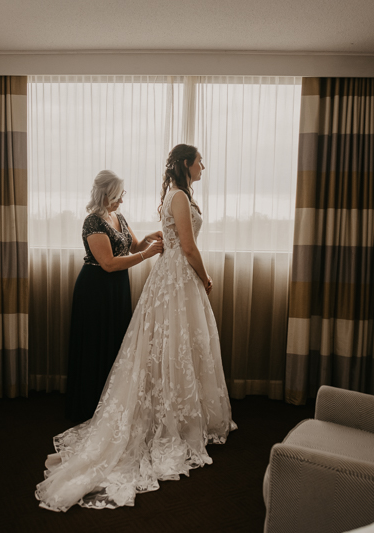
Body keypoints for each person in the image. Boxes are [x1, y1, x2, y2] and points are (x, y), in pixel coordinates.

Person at [36, 145, 236, 512]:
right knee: (160, 344)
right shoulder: (100, 220)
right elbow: (183, 248)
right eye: (200, 160)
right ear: (186, 165)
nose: (203, 165)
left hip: (157, 279)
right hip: (114, 285)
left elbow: (146, 241)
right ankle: (142, 411)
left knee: (173, 344)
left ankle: (181, 406)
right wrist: (203, 275)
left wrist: (153, 243)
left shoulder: (134, 212)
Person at [65, 170, 164, 422]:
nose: (121, 201)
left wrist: (148, 240)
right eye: (118, 196)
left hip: (117, 288)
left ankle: (112, 401)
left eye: (122, 196)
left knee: (116, 341)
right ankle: (90, 405)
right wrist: (148, 254)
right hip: (95, 289)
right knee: (96, 343)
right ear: (105, 194)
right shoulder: (92, 222)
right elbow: (108, 263)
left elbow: (133, 246)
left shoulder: (117, 216)